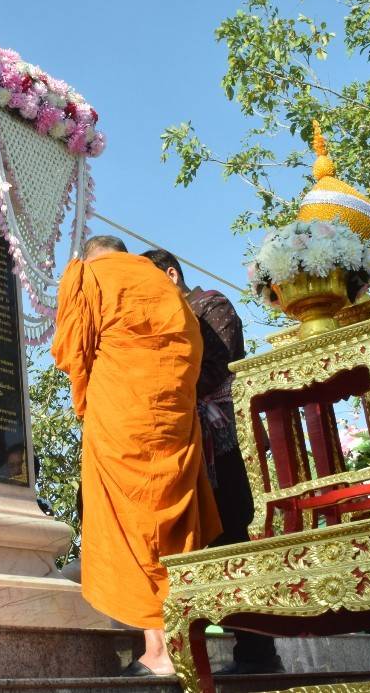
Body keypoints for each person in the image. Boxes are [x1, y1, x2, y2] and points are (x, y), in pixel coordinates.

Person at [52, 235, 221, 677]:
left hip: (122, 421)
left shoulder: (87, 276)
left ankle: (159, 652)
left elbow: (72, 352)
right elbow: (190, 356)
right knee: (172, 530)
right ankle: (186, 643)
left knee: (135, 526)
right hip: (172, 423)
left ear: (91, 256)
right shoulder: (167, 287)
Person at [143, 249, 285, 676]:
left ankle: (258, 653)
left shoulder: (212, 306)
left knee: (233, 536)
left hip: (222, 443)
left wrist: (162, 395)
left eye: (151, 285)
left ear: (171, 274)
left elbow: (214, 368)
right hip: (185, 442)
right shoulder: (161, 318)